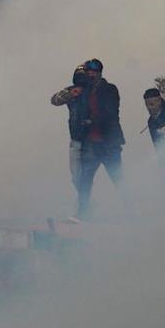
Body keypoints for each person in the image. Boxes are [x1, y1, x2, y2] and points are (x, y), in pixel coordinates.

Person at [54, 59, 125, 220]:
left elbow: (110, 112)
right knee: (84, 180)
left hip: (109, 143)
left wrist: (91, 121)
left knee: (118, 177)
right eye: (88, 72)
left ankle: (132, 209)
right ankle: (84, 213)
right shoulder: (80, 91)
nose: (90, 75)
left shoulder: (109, 89)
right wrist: (71, 94)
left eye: (94, 72)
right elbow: (55, 100)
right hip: (90, 143)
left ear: (100, 73)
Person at [51, 65, 91, 197]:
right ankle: (85, 201)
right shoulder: (71, 90)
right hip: (76, 139)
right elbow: (54, 100)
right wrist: (70, 94)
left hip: (91, 139)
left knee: (88, 175)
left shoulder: (94, 91)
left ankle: (85, 202)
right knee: (76, 176)